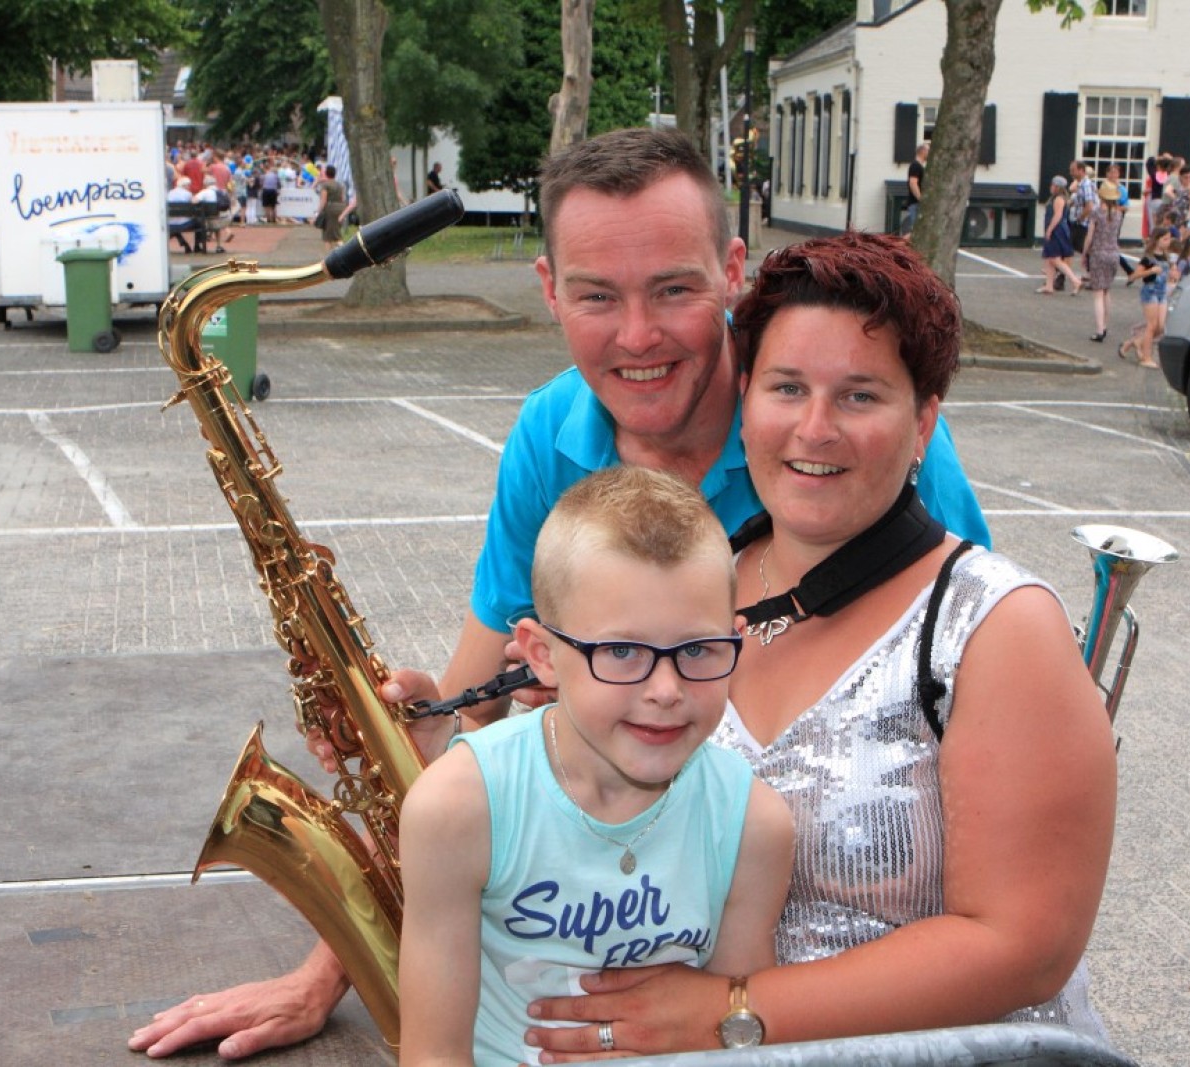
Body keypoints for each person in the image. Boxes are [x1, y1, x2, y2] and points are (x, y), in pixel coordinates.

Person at [129, 127, 991, 1061]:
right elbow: (471, 717)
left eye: (674, 288)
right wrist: (332, 958)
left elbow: (960, 655)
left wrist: (727, 1007)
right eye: (596, 295)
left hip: (844, 953)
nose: (638, 335)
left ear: (733, 271)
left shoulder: (850, 438)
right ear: (548, 289)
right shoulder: (548, 435)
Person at [525, 230, 1117, 1058]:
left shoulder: (997, 623)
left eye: (860, 396)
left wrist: (730, 1010)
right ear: (746, 403)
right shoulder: (697, 588)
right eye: (787, 387)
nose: (815, 428)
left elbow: (1024, 946)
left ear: (924, 423)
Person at [398, 466, 795, 1067]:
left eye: (696, 649)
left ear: (737, 640)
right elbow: (434, 1054)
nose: (666, 690)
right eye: (622, 651)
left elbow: (735, 1040)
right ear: (542, 655)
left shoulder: (752, 824)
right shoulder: (460, 806)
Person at [1117, 228, 1175, 369]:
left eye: (1169, 239)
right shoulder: (1148, 258)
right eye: (1165, 239)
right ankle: (1146, 357)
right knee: (1151, 325)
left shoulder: (1166, 257)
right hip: (1150, 291)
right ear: (1157, 240)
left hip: (1162, 292)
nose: (1168, 242)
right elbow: (1133, 276)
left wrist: (1172, 275)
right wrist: (1150, 271)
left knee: (1161, 326)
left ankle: (1134, 342)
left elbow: (1168, 274)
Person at [1082, 180, 1125, 343]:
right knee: (1107, 290)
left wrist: (1085, 253)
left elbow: (1090, 236)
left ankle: (1099, 329)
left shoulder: (1096, 213)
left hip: (1098, 253)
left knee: (1098, 293)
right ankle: (1105, 325)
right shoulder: (1118, 214)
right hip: (1113, 253)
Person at [1036, 176, 1082, 295]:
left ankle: (1075, 280)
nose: (1051, 187)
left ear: (1057, 187)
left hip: (1057, 230)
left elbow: (1058, 215)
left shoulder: (1059, 199)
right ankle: (1049, 285)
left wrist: (1050, 229)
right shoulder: (1056, 198)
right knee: (1049, 258)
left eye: (1053, 185)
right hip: (1056, 229)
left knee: (1055, 259)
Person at [315, 165, 347, 251]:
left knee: (328, 235)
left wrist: (318, 211)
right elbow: (342, 198)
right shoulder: (340, 185)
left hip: (330, 209)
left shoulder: (325, 185)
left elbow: (323, 200)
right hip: (340, 208)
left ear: (326, 174)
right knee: (337, 230)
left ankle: (331, 254)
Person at [902, 141, 928, 234]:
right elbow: (913, 183)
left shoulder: (918, 166)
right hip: (916, 204)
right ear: (923, 151)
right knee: (918, 231)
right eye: (928, 151)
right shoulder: (915, 166)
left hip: (917, 204)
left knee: (918, 231)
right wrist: (921, 199)